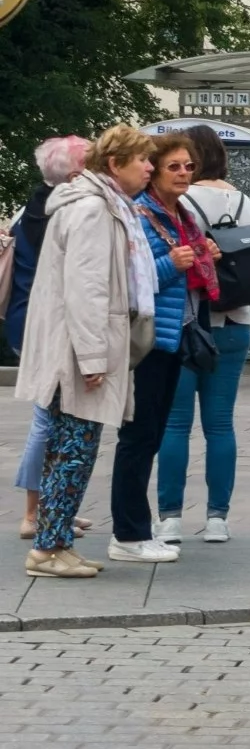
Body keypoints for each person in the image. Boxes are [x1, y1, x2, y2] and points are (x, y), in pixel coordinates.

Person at [14, 125, 156, 578]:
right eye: (143, 159)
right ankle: (48, 549)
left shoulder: (99, 204)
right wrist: (94, 358)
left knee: (70, 448)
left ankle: (54, 543)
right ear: (115, 164)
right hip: (78, 353)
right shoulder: (95, 208)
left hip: (75, 349)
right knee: (74, 450)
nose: (149, 167)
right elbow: (87, 288)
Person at [111, 132, 214, 559]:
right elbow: (131, 280)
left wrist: (203, 253)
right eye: (173, 166)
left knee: (151, 434)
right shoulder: (141, 213)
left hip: (173, 336)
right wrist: (172, 264)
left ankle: (137, 526)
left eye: (189, 166)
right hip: (148, 341)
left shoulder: (181, 213)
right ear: (153, 171)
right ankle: (128, 534)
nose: (184, 173)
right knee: (138, 436)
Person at [155, 126, 250, 544]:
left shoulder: (183, 203)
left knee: (175, 424)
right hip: (237, 324)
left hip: (190, 327)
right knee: (220, 425)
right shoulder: (244, 201)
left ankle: (171, 518)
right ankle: (218, 519)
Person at [11, 134, 90, 545]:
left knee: (52, 420)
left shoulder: (34, 207)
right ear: (76, 173)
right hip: (43, 327)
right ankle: (33, 513)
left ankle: (50, 508)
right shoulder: (61, 212)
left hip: (28, 323)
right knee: (47, 420)